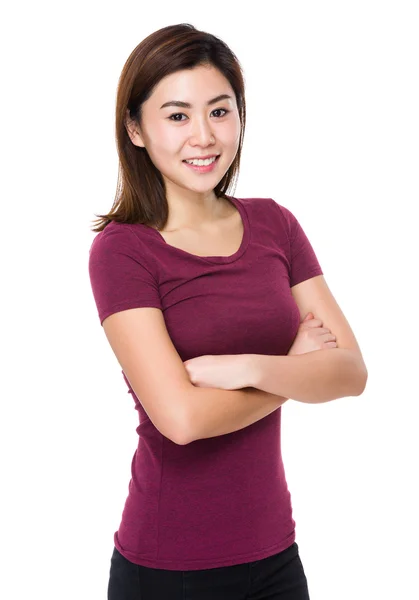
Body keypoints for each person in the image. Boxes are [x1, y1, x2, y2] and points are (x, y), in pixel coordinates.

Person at [88, 23, 367, 600]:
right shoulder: (123, 249)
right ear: (136, 129)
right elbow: (182, 421)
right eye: (177, 115)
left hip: (276, 557)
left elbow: (351, 373)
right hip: (169, 569)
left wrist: (254, 367)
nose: (204, 137)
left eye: (220, 111)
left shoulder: (276, 225)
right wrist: (296, 368)